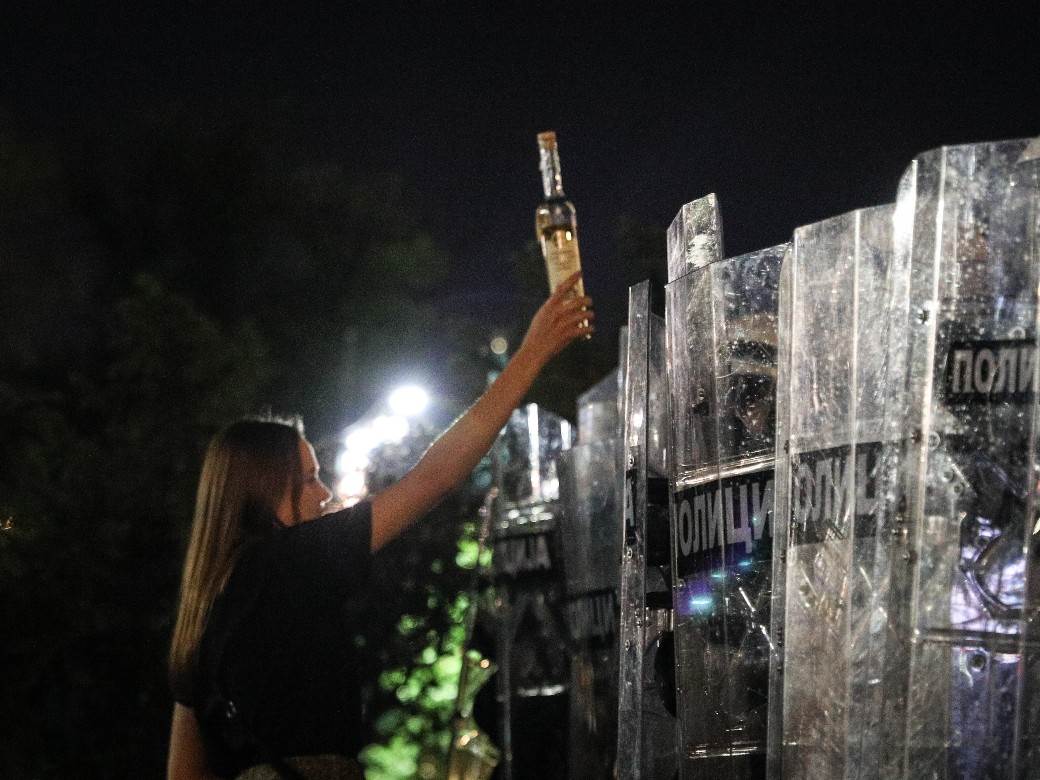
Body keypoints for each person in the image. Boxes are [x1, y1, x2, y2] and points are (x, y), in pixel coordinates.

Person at [166, 273, 593, 779]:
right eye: (308, 479)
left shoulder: (200, 620)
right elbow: (434, 479)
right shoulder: (292, 560)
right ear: (263, 490)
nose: (324, 494)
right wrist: (532, 353)